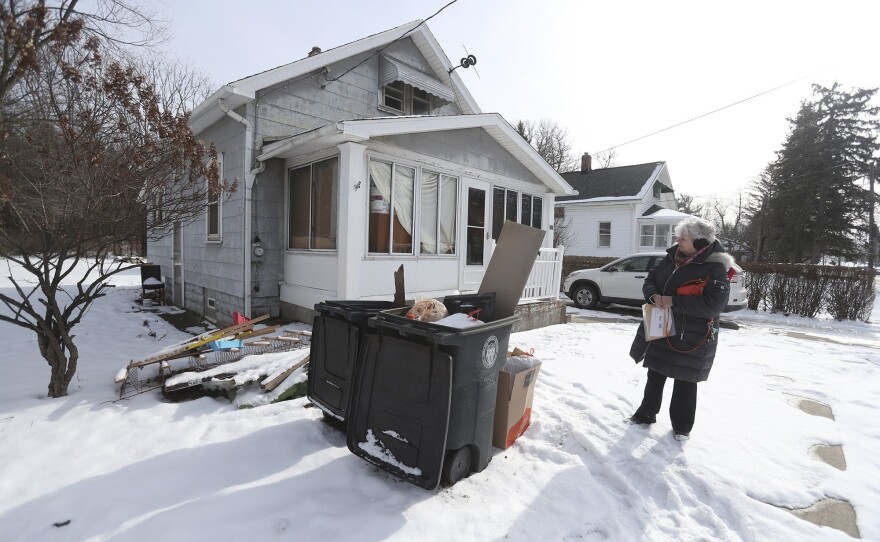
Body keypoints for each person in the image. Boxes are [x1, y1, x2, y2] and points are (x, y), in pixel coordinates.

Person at [628, 217, 734, 441]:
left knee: (685, 381)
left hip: (692, 336)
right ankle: (646, 414)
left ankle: (682, 427)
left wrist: (673, 301)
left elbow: (714, 306)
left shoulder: (716, 267)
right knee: (655, 373)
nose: (678, 242)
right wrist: (653, 295)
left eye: (683, 238)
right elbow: (651, 279)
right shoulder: (671, 257)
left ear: (699, 243)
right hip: (662, 325)